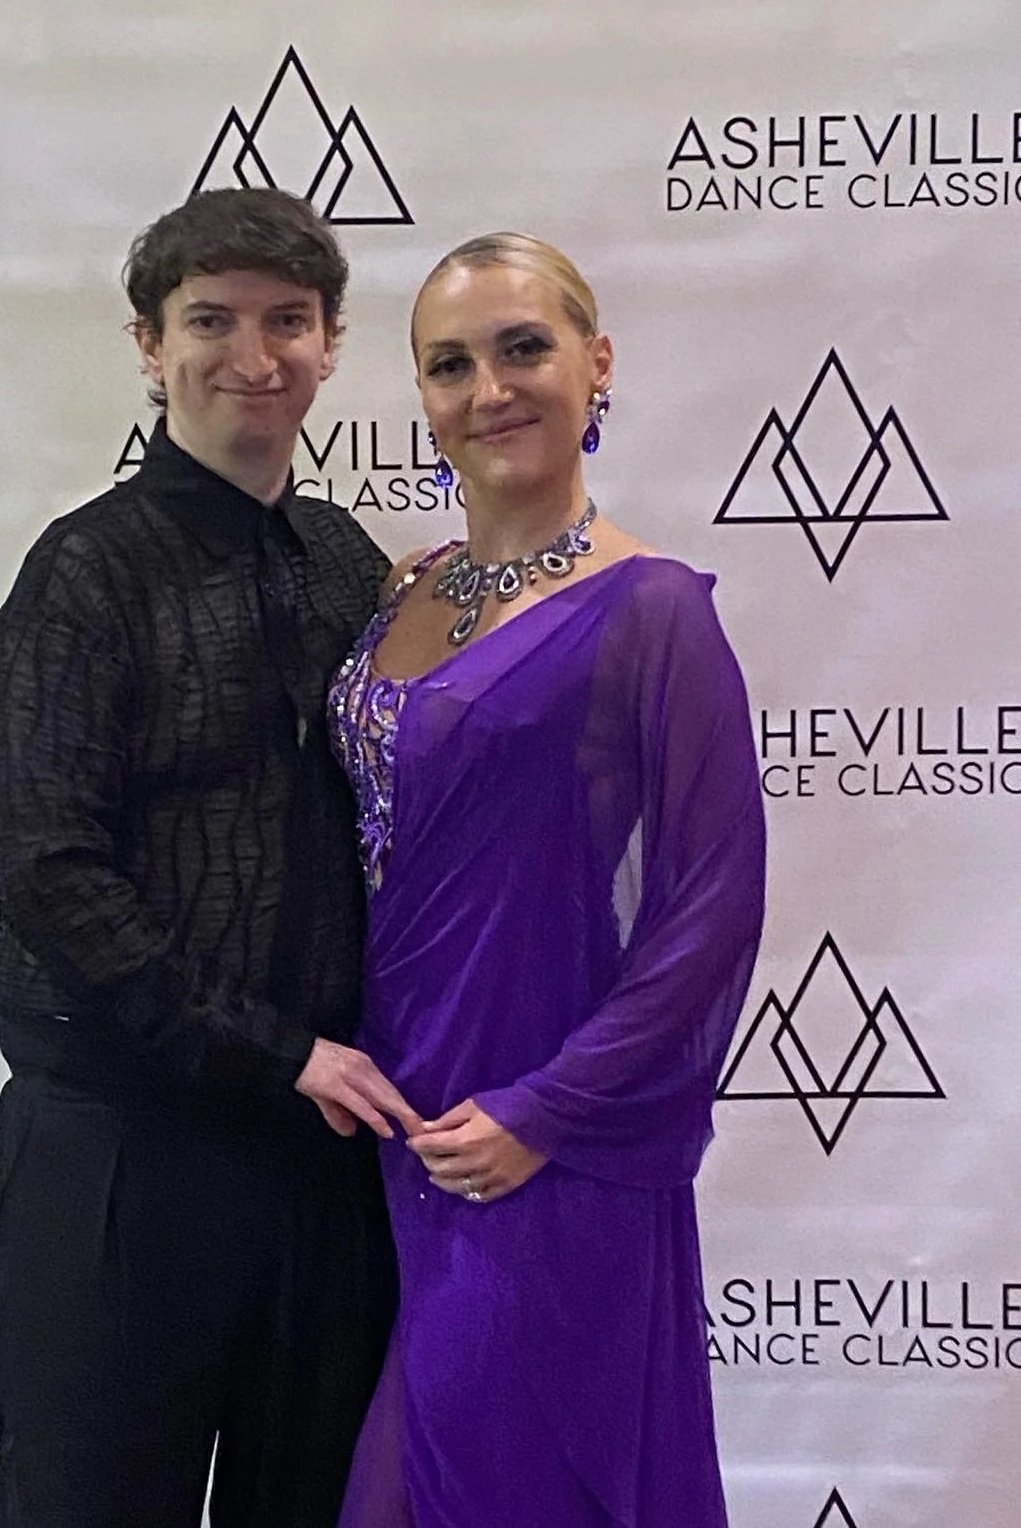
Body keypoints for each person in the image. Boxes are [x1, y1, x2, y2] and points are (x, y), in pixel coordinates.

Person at [0, 187, 419, 1528]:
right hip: (119, 1150)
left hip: (321, 1165)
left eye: (289, 321)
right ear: (148, 345)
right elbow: (50, 871)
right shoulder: (85, 572)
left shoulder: (348, 560)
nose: (254, 355)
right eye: (210, 320)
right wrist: (275, 1048)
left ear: (332, 344)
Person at [328, 233, 766, 1527]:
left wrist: (549, 1106)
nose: (490, 388)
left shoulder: (652, 612)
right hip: (400, 1138)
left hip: (533, 1151)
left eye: (525, 346)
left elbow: (713, 906)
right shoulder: (405, 588)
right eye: (450, 363)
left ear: (598, 362)